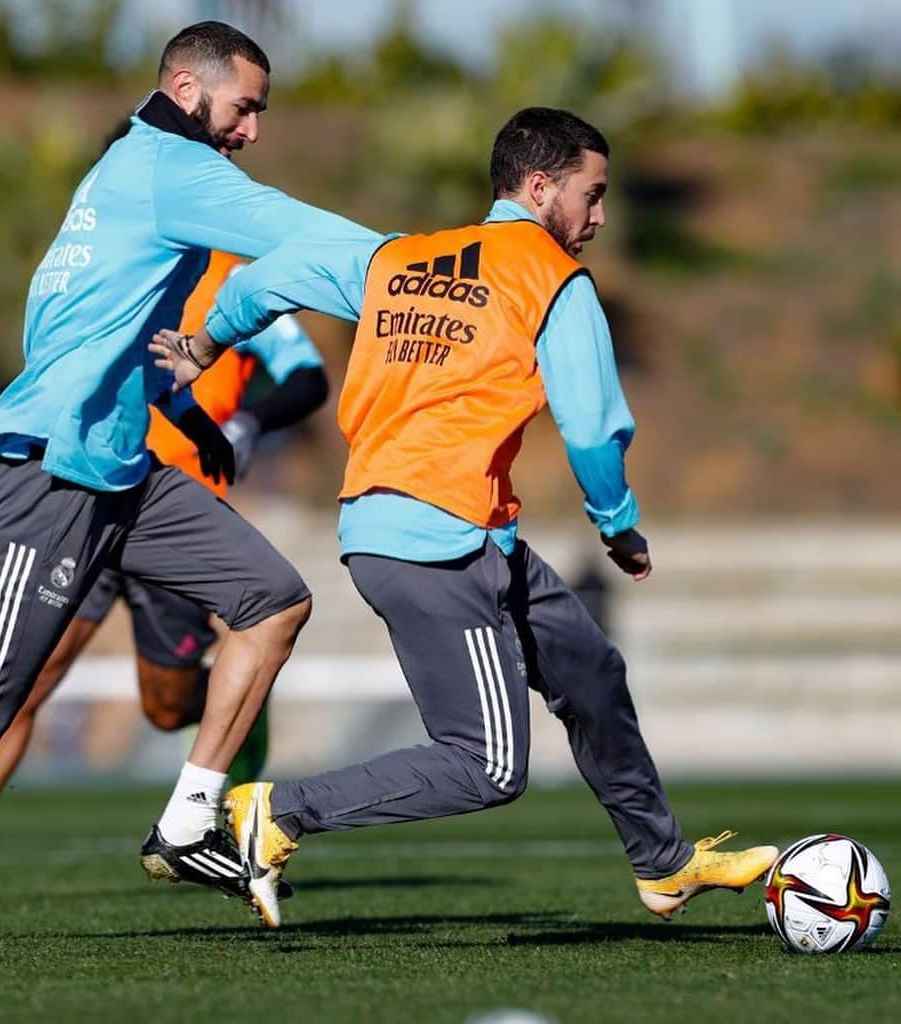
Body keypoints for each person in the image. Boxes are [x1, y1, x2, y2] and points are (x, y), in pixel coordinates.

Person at [152, 106, 779, 929]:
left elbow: (268, 278)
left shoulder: (397, 257)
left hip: (451, 532)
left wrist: (207, 344)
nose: (597, 217)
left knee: (590, 672)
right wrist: (617, 522)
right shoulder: (552, 279)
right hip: (433, 544)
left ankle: (662, 864)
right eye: (592, 196)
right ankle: (278, 811)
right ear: (540, 185)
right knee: (487, 764)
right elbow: (593, 429)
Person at [0, 19, 378, 908]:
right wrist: (424, 270)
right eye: (245, 108)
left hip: (120, 467)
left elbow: (83, 328)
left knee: (273, 602)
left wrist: (184, 408)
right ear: (188, 90)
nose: (253, 130)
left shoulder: (120, 173)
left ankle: (189, 821)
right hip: (51, 475)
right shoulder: (173, 171)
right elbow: (302, 232)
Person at [0, 249, 327, 905]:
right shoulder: (126, 263)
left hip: (169, 510)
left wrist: (244, 422)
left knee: (165, 706)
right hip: (84, 493)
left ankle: (234, 706)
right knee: (22, 678)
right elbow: (70, 369)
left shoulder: (237, 283)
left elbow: (306, 377)